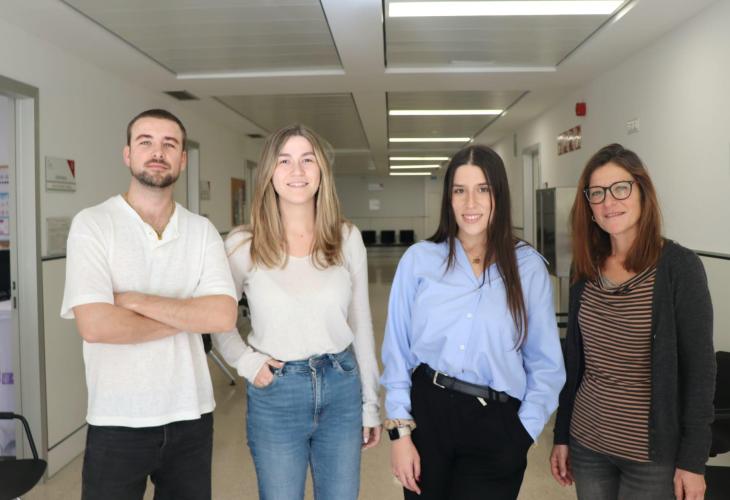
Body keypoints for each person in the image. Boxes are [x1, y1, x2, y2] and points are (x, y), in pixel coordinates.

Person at [60, 109, 239, 500]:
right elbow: (96, 326)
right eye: (146, 142)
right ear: (127, 154)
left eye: (169, 144)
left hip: (191, 414)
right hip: (116, 418)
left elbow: (223, 315)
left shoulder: (201, 231)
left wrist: (134, 301)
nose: (158, 152)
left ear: (182, 159)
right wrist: (190, 316)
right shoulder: (93, 224)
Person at [381, 144, 565, 500]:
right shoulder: (419, 260)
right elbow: (397, 353)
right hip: (428, 416)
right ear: (448, 198)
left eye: (483, 189)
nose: (470, 203)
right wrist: (400, 434)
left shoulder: (527, 267)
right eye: (459, 191)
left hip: (496, 424)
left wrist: (522, 433)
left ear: (499, 195)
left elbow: (546, 364)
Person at [212, 124, 381, 500]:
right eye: (284, 161)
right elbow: (218, 320)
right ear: (269, 173)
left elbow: (361, 323)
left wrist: (370, 402)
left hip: (341, 386)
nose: (297, 171)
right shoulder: (243, 243)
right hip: (277, 392)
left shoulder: (346, 237)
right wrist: (247, 362)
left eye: (308, 160)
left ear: (322, 171)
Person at [550, 143, 715, 500]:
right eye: (597, 193)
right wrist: (561, 435)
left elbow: (700, 372)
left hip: (652, 456)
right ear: (588, 205)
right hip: (588, 442)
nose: (609, 202)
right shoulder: (585, 269)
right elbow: (574, 365)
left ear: (642, 192)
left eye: (620, 188)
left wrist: (693, 460)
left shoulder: (679, 268)